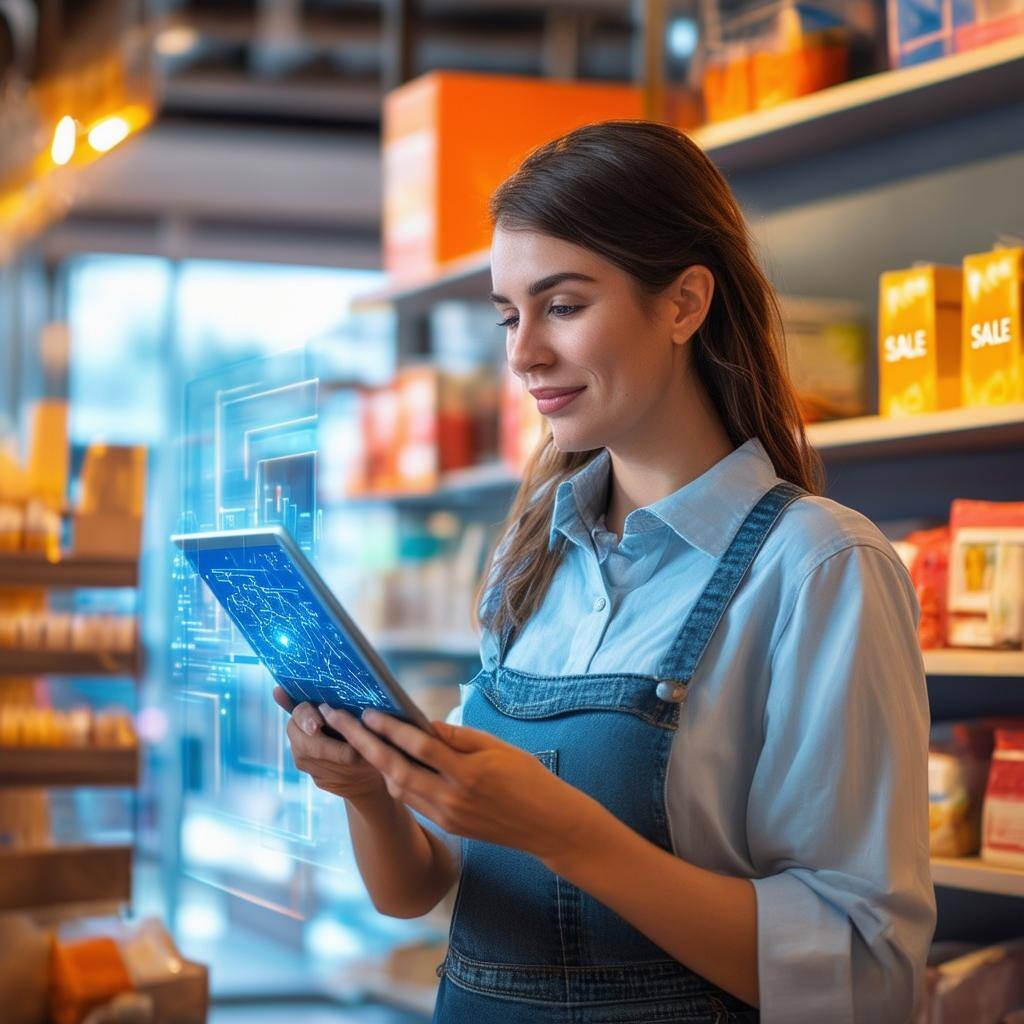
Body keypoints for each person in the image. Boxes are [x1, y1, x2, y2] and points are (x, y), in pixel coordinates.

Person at [275, 119, 936, 1023]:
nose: (523, 354)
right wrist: (366, 789)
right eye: (511, 315)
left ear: (684, 303)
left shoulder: (819, 566)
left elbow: (863, 976)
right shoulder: (530, 559)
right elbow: (419, 889)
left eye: (565, 305)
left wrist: (564, 831)